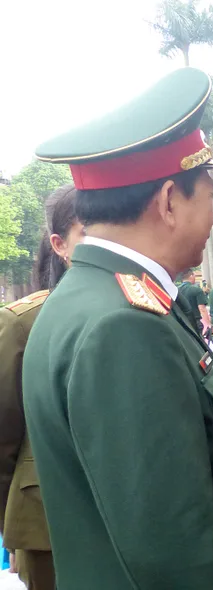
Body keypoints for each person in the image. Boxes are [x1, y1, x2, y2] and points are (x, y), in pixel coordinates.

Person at [22, 67, 213, 588]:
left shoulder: (88, 298)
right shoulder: (124, 327)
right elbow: (177, 556)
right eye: (209, 196)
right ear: (170, 200)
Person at [1, 185, 84, 590]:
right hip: (47, 523)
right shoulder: (23, 322)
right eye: (88, 234)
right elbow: (3, 437)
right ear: (59, 245)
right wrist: (12, 532)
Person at [177, 267, 213, 336]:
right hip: (194, 322)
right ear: (191, 276)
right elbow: (202, 309)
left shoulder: (176, 290)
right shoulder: (196, 290)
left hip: (181, 322)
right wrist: (208, 324)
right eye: (194, 275)